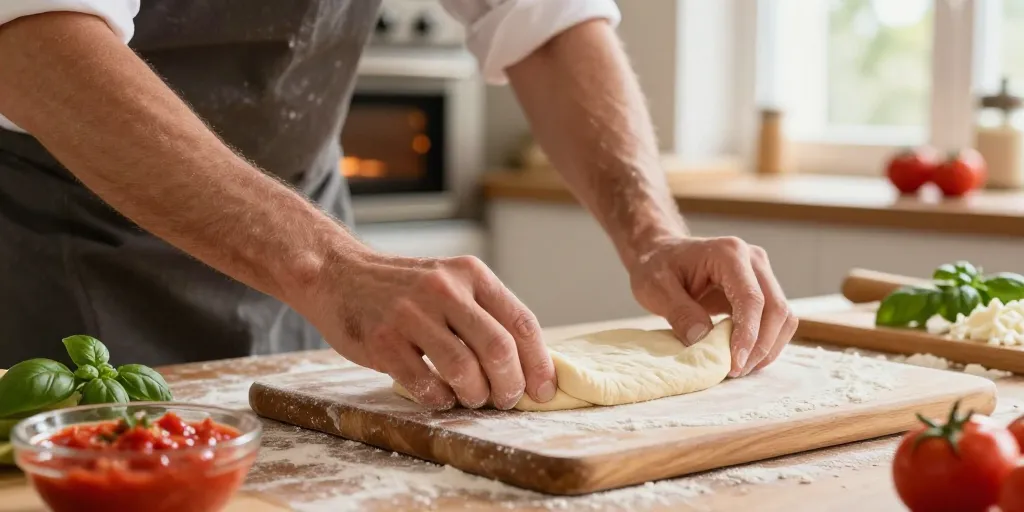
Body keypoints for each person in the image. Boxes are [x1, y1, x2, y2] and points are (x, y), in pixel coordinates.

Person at [0, 1, 797, 411]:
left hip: (301, 228)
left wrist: (653, 234)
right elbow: (32, 37)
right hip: (53, 232)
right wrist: (330, 265)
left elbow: (545, 22)